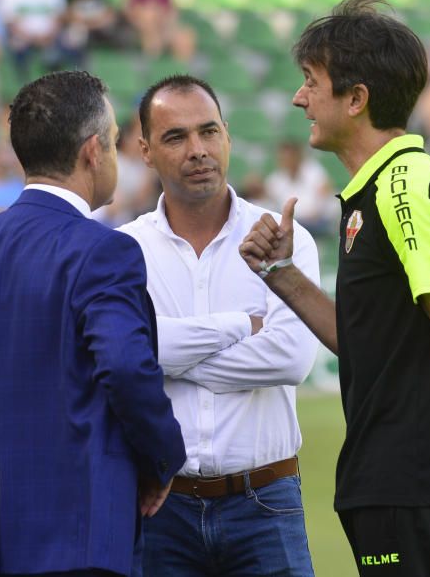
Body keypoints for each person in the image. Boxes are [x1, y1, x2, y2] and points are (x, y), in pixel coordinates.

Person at [238, 0, 430, 577]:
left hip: (413, 479)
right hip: (395, 481)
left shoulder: (403, 188)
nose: (300, 97)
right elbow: (365, 341)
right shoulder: (381, 189)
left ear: (356, 99)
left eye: (311, 81)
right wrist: (282, 274)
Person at [0, 71, 186, 576]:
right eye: (117, 141)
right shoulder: (105, 250)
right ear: (92, 151)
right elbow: (124, 368)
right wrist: (161, 461)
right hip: (80, 532)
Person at [119, 75, 320, 576]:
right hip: (160, 507)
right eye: (175, 137)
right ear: (145, 151)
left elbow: (292, 359)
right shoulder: (124, 250)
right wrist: (240, 327)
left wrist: (164, 357)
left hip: (265, 501)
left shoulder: (282, 236)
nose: (198, 150)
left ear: (228, 135)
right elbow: (120, 357)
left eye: (209, 132)